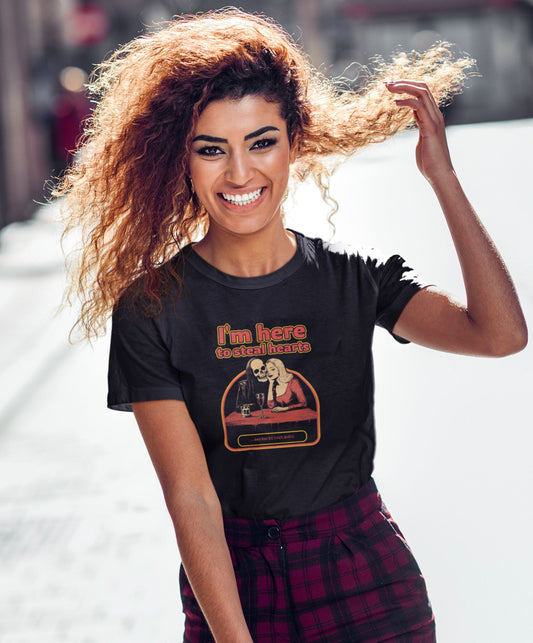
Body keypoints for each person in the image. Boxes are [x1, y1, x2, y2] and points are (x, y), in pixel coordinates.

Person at [55, 8, 527, 642]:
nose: (241, 174)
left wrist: (442, 178)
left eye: (262, 142)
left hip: (364, 578)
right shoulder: (153, 307)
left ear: (294, 143)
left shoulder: (355, 283)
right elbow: (191, 498)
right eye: (212, 150)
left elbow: (500, 336)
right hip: (234, 588)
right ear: (183, 161)